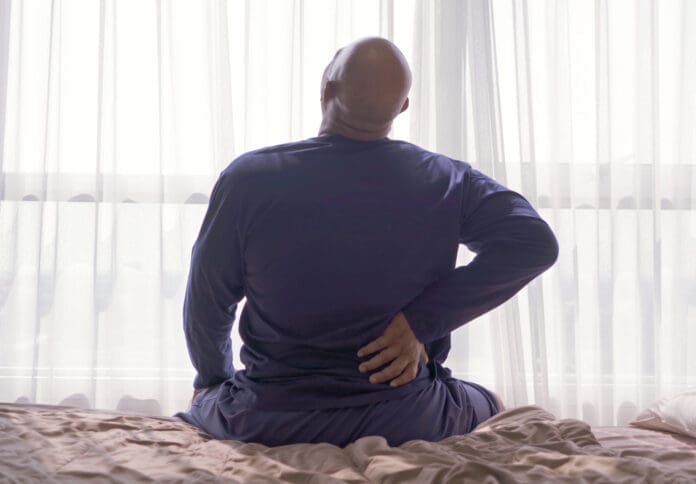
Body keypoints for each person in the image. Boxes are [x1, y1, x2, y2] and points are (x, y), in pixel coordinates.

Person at [176, 37, 557, 447]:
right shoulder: (446, 180)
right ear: (403, 107)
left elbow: (207, 300)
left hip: (269, 419)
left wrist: (212, 380)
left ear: (325, 88)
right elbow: (534, 242)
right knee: (493, 403)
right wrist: (423, 320)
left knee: (208, 399)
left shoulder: (248, 179)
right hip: (407, 417)